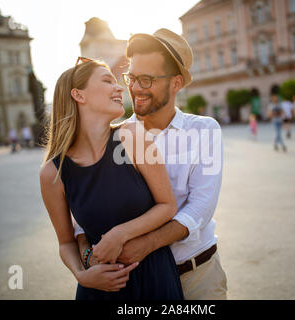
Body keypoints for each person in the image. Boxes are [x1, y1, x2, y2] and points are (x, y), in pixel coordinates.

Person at [74, 28, 228, 300]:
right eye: (131, 78)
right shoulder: (113, 137)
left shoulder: (204, 130)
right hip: (137, 283)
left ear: (176, 83)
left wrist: (146, 244)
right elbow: (84, 210)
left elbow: (201, 207)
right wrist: (88, 256)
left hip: (197, 276)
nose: (134, 88)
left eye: (146, 80)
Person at [39, 57, 183, 300]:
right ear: (78, 95)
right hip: (97, 288)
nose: (120, 88)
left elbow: (167, 206)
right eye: (108, 81)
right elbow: (65, 243)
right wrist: (82, 274)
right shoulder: (52, 173)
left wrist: (120, 234)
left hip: (153, 279)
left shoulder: (133, 136)